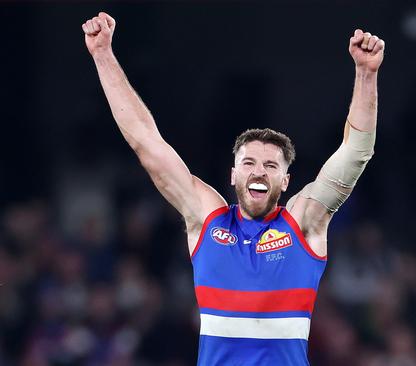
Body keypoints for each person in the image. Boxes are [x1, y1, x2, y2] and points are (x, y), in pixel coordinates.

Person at [81, 12, 385, 365]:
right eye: (249, 163)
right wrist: (102, 54)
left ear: (285, 181)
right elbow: (146, 142)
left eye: (271, 166)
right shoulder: (206, 217)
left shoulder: (304, 222)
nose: (259, 172)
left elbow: (355, 153)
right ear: (233, 174)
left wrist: (367, 74)